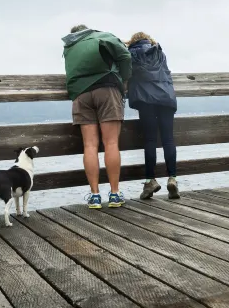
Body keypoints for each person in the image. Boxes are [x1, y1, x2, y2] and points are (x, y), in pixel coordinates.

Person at [62, 25, 132, 209]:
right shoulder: (101, 36)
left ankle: (94, 196)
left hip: (80, 94)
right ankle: (115, 195)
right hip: (107, 89)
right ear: (87, 31)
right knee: (111, 143)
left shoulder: (69, 47)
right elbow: (125, 56)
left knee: (89, 145)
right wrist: (123, 80)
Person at [126, 32, 179, 200]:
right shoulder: (159, 52)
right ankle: (172, 178)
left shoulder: (131, 54)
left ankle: (150, 181)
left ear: (133, 42)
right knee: (168, 139)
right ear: (149, 41)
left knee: (150, 140)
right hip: (165, 98)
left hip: (145, 99)